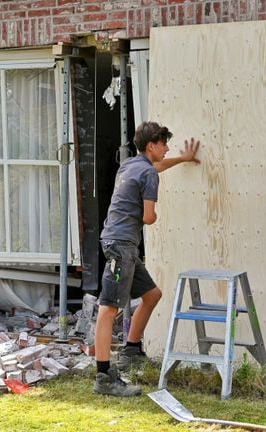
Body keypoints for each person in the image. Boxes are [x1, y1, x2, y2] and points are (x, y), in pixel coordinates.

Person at [93, 121, 201, 397]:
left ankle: (131, 350)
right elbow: (148, 217)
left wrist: (184, 159)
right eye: (163, 144)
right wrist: (154, 214)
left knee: (152, 294)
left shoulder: (131, 164)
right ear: (151, 146)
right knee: (108, 308)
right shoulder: (148, 175)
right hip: (121, 246)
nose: (167, 148)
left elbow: (157, 167)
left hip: (119, 242)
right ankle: (104, 376)